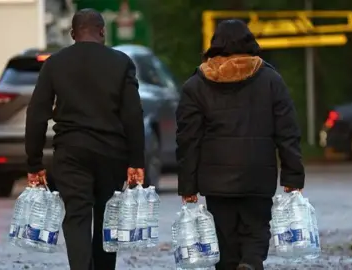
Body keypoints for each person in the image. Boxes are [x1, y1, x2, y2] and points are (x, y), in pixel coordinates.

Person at [176, 19, 305, 270]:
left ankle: (237, 264)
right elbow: (288, 132)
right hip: (258, 175)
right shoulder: (270, 80)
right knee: (256, 232)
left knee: (224, 242)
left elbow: (187, 140)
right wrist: (293, 176)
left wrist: (187, 185)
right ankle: (251, 263)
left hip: (216, 181)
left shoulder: (196, 86)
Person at [24, 9, 145, 270]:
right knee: (106, 216)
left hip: (71, 152)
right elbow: (133, 114)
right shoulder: (121, 63)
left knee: (77, 215)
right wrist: (137, 160)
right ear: (102, 31)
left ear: (72, 34)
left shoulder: (55, 63)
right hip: (111, 153)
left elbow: (36, 114)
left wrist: (34, 163)